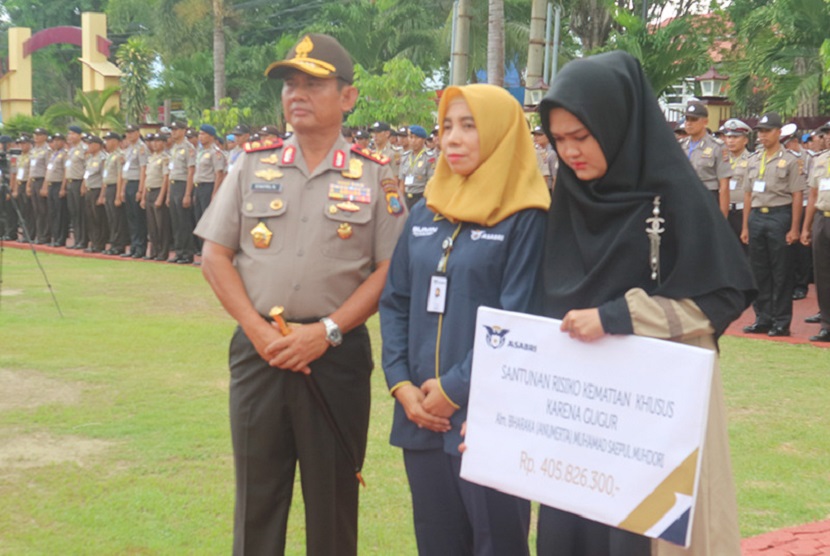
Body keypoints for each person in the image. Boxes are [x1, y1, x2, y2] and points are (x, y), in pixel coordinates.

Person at [537, 51, 755, 556]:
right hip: (579, 415)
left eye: (582, 136)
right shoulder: (568, 201)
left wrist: (620, 317)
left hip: (652, 415)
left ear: (616, 124)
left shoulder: (674, 195)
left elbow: (723, 294)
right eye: (559, 139)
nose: (570, 153)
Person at [195, 33, 406, 556]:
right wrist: (258, 330)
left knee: (333, 503)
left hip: (335, 357)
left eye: (314, 83)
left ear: (348, 97)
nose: (297, 94)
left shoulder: (377, 174)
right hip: (259, 351)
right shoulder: (251, 164)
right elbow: (214, 256)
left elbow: (389, 270)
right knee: (257, 501)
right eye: (290, 84)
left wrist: (327, 331)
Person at [380, 84, 549, 555]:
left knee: (498, 544)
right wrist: (400, 383)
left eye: (469, 126)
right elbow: (395, 300)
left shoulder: (525, 217)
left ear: (501, 134)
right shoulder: (424, 211)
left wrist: (454, 389)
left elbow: (520, 318)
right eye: (446, 126)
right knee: (436, 543)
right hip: (419, 416)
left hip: (486, 419)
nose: (451, 139)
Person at [740, 113, 805, 337]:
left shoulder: (789, 160)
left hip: (780, 215)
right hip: (757, 215)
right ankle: (763, 317)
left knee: (781, 271)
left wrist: (795, 227)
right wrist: (746, 226)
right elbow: (748, 195)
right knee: (759, 271)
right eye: (760, 131)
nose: (763, 135)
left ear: (779, 132)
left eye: (767, 131)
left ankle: (781, 321)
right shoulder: (754, 159)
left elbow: (797, 195)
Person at [680, 101, 731, 217]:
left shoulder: (717, 146)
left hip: (707, 199)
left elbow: (724, 186)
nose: (689, 123)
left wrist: (722, 218)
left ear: (705, 122)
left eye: (694, 119)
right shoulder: (681, 145)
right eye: (687, 119)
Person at [801, 145, 830, 342]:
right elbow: (812, 194)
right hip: (822, 218)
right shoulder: (820, 159)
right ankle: (826, 324)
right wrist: (806, 227)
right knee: (823, 274)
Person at [721, 118, 753, 247]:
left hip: (742, 213)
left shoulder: (752, 159)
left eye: (735, 137)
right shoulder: (722, 159)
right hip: (724, 211)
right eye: (728, 137)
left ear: (745, 140)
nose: (730, 141)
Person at [142, 133, 172, 261]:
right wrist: (143, 196)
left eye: (158, 141)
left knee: (161, 225)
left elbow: (166, 178)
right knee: (152, 225)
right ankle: (154, 251)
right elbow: (146, 178)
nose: (155, 144)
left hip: (158, 190)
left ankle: (163, 252)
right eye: (153, 141)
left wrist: (161, 197)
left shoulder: (165, 158)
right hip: (149, 191)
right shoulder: (151, 158)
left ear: (164, 143)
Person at [121, 124, 149, 259]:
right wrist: (122, 190)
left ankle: (140, 247)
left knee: (138, 219)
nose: (129, 135)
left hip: (137, 183)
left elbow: (144, 169)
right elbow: (124, 170)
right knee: (130, 218)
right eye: (127, 132)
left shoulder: (142, 148)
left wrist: (140, 190)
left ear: (138, 133)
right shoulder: (128, 149)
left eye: (132, 132)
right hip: (128, 183)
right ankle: (133, 245)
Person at [81, 135, 109, 253]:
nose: (89, 146)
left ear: (98, 145)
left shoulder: (103, 158)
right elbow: (87, 174)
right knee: (90, 218)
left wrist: (102, 195)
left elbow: (104, 178)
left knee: (99, 219)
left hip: (97, 190)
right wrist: (84, 185)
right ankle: (93, 242)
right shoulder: (90, 158)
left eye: (91, 144)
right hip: (89, 189)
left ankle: (100, 244)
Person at [63, 125, 87, 249]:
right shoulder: (71, 150)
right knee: (73, 212)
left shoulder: (84, 148)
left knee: (80, 212)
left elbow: (87, 168)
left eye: (73, 134)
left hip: (79, 182)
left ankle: (83, 240)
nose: (70, 136)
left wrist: (84, 184)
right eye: (69, 134)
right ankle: (77, 239)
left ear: (79, 135)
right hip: (70, 182)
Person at [399, 125, 434, 209]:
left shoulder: (429, 157)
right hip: (407, 198)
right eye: (411, 137)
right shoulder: (405, 156)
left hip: (421, 197)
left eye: (416, 138)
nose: (413, 141)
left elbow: (431, 182)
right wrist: (400, 200)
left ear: (423, 140)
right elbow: (402, 181)